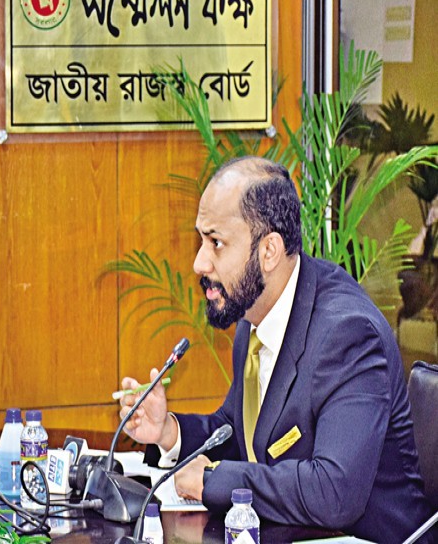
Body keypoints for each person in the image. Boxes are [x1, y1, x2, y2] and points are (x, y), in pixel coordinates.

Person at [120, 157, 431, 543]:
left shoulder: (348, 334)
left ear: (269, 251)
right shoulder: (255, 312)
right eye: (201, 240)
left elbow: (336, 492)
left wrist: (214, 481)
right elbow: (245, 439)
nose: (199, 263)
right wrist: (169, 432)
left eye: (216, 242)